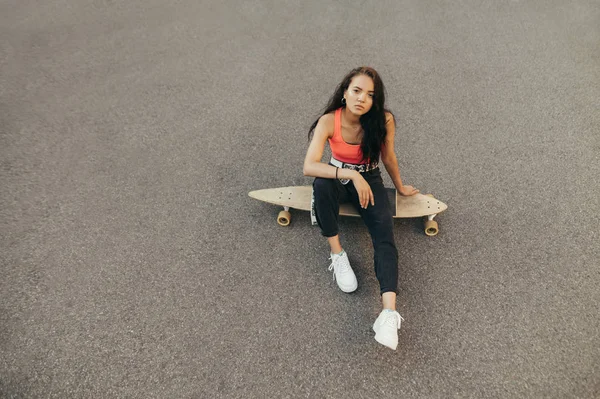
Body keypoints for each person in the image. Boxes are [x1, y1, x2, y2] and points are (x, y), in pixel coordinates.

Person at [303, 67, 419, 350]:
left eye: (370, 95)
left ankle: (388, 314)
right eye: (356, 91)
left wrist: (400, 186)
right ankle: (337, 253)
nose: (361, 99)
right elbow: (309, 166)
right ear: (345, 92)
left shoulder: (384, 120)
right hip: (340, 177)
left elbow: (388, 156)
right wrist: (351, 175)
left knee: (384, 234)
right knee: (322, 186)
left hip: (371, 178)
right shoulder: (329, 121)